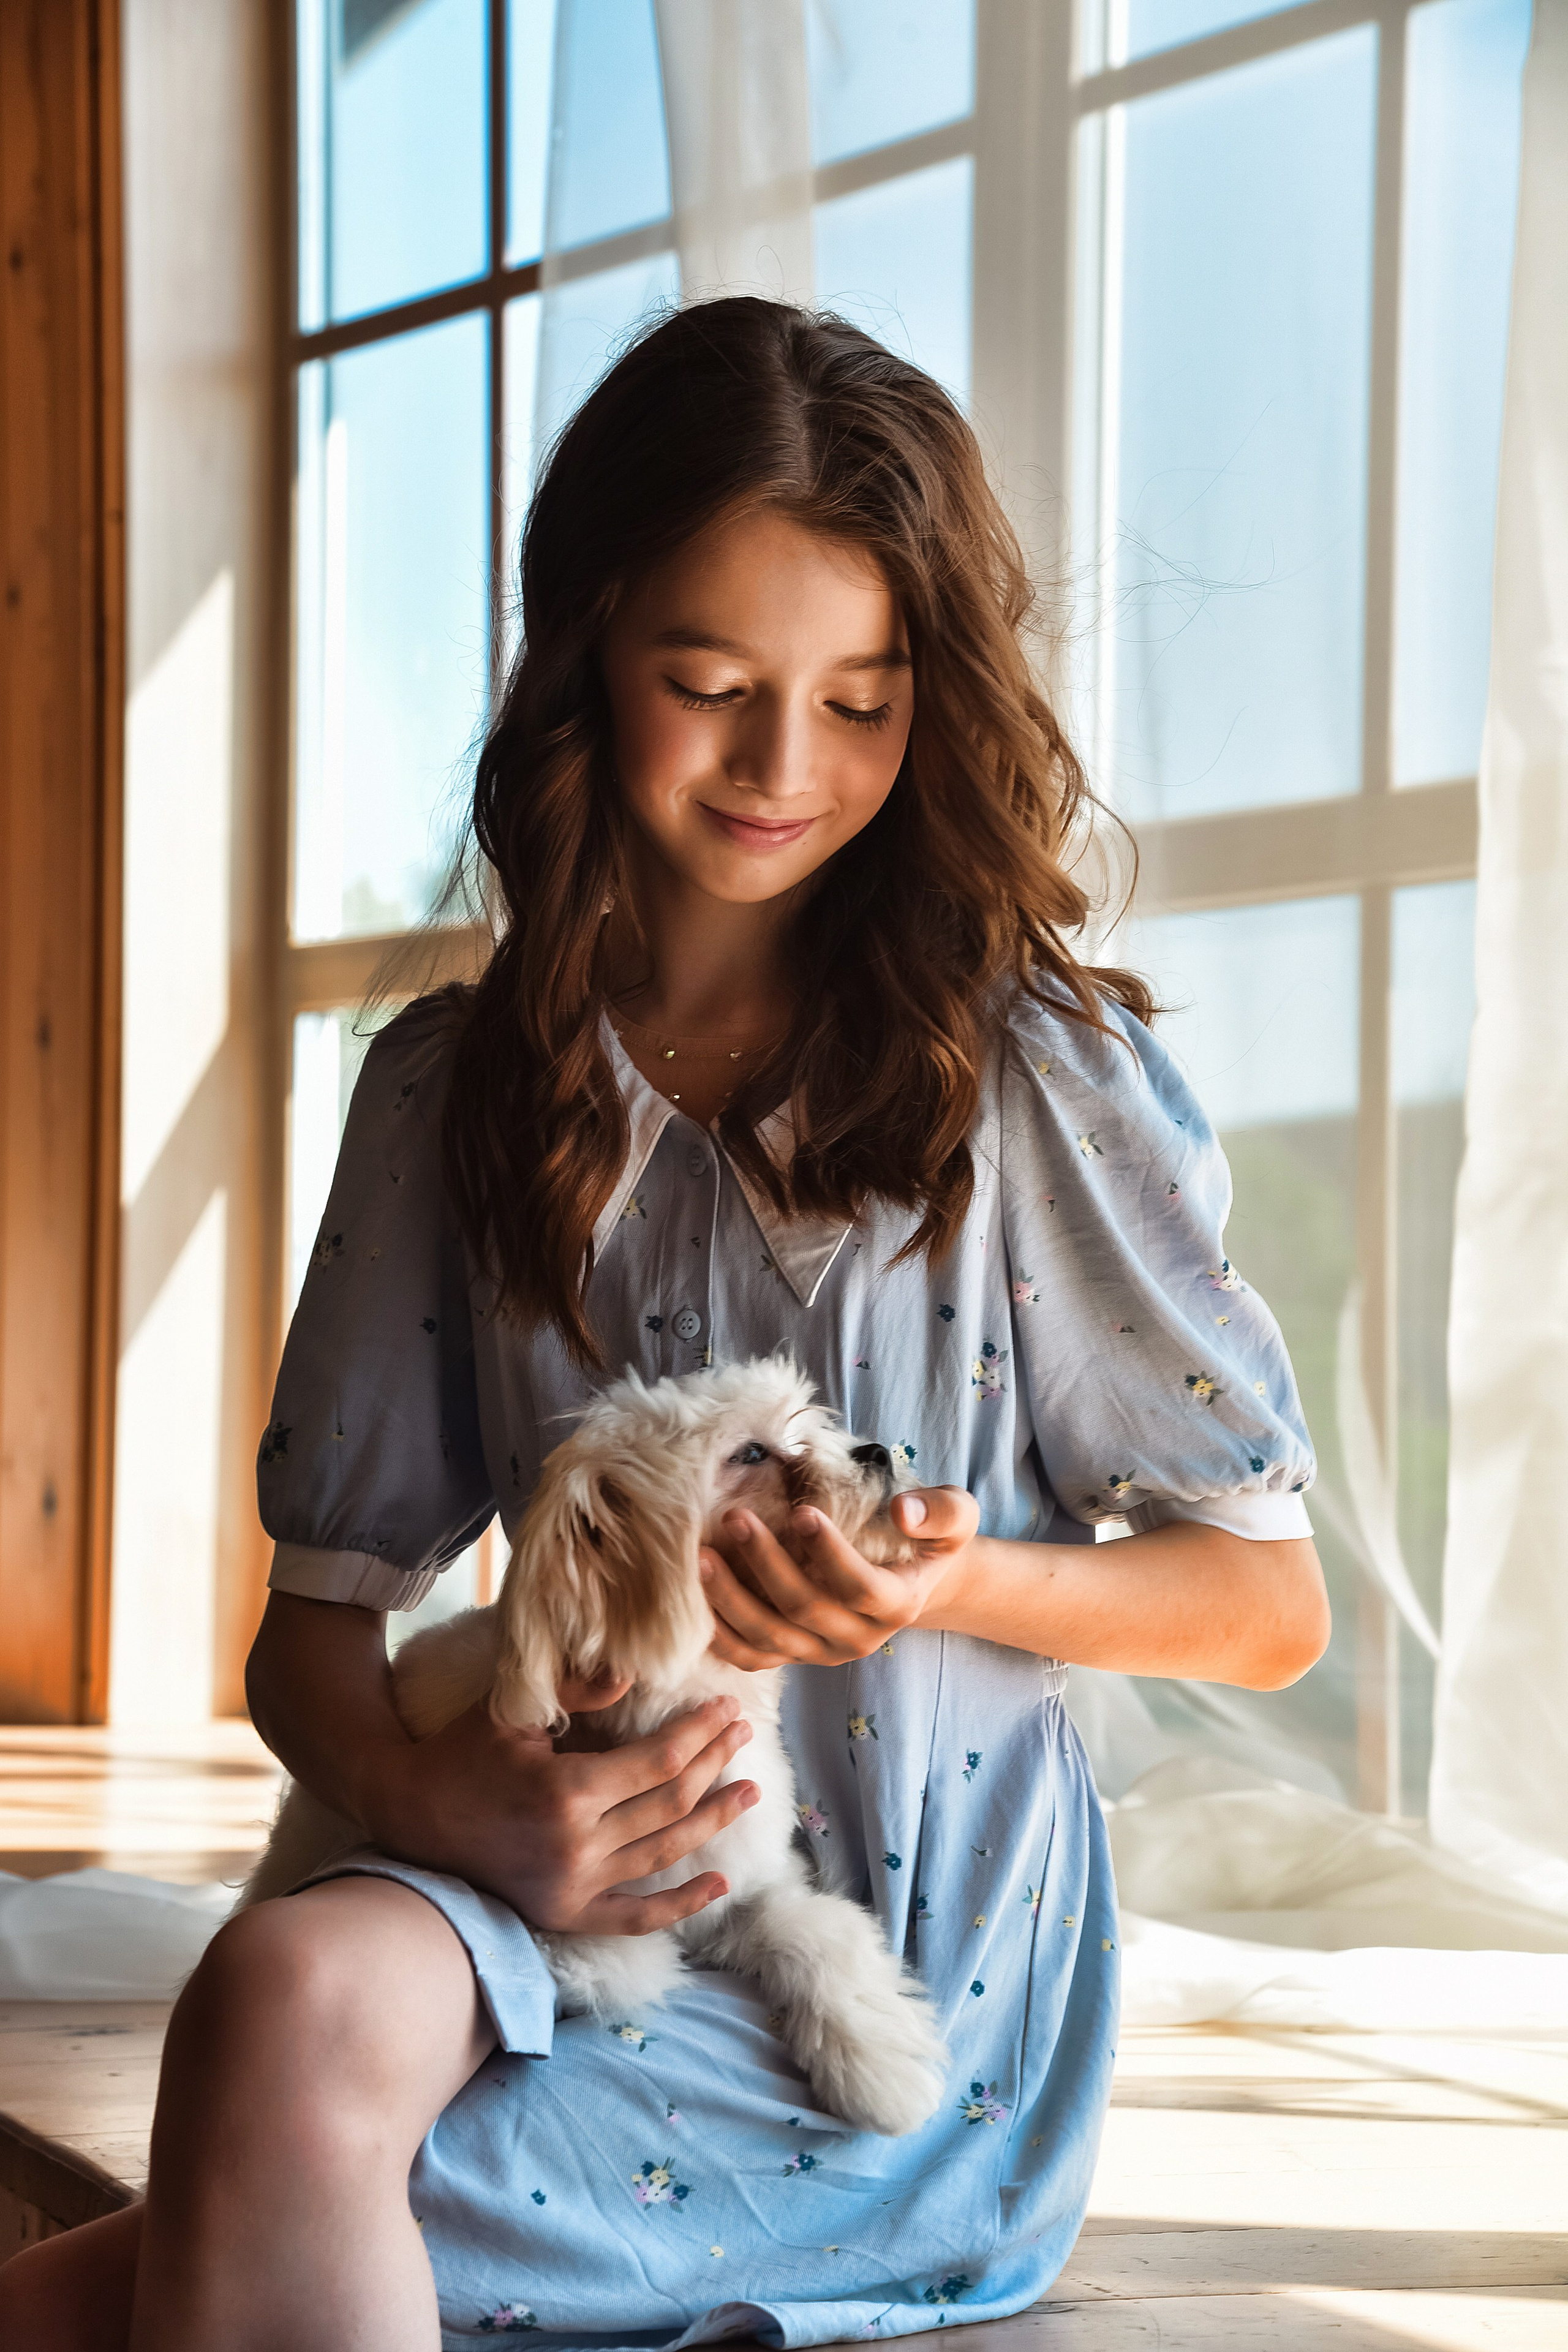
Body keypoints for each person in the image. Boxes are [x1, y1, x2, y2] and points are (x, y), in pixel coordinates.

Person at [1, 297, 1328, 2351]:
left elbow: (1266, 1606)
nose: (786, 768)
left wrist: (952, 1588)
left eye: (863, 700)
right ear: (584, 655)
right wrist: (451, 1809)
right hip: (537, 1883)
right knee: (274, 1998)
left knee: (172, 2245)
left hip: (882, 2009)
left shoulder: (1034, 1085)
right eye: (710, 687)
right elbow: (313, 1637)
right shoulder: (450, 1097)